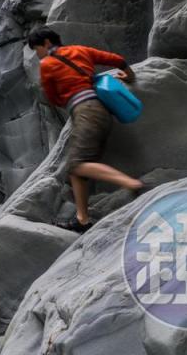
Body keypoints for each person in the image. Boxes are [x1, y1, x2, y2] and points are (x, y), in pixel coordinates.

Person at [27, 27, 143, 232]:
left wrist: (68, 97)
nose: (37, 55)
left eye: (37, 49)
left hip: (85, 113)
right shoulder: (80, 50)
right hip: (102, 110)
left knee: (77, 166)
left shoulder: (47, 64)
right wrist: (129, 77)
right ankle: (83, 220)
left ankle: (132, 184)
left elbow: (52, 98)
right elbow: (116, 59)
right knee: (79, 170)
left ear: (46, 43)